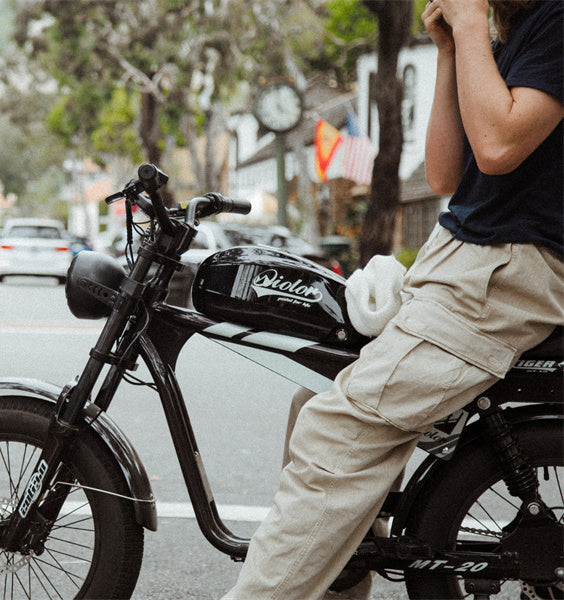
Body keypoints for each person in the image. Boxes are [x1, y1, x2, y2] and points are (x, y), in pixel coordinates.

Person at [222, 0, 563, 598]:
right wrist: (451, 50)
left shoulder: (556, 21)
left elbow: (497, 146)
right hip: (464, 266)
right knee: (315, 397)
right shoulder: (502, 37)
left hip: (501, 276)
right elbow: (443, 174)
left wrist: (468, 25)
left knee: (333, 430)